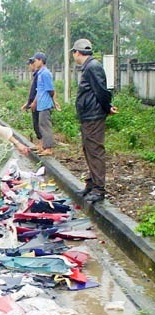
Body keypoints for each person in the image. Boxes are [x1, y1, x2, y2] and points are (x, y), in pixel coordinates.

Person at [72, 39, 118, 203]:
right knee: (88, 149)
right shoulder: (89, 67)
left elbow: (102, 91)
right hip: (88, 116)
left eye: (74, 53)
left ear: (77, 52)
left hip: (93, 116)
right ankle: (91, 184)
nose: (74, 56)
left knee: (95, 151)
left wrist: (107, 107)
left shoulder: (93, 67)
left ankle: (99, 189)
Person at [29, 52, 60, 156]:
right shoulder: (40, 73)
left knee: (46, 126)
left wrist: (53, 102)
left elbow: (51, 90)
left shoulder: (45, 73)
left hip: (45, 104)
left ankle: (48, 148)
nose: (35, 62)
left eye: (36, 60)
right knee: (41, 125)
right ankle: (43, 146)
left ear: (41, 61)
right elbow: (39, 90)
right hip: (41, 104)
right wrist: (34, 102)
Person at [21, 57, 42, 151]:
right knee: (36, 123)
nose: (29, 67)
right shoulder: (36, 75)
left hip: (38, 103)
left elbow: (39, 90)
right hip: (34, 103)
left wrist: (33, 102)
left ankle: (42, 145)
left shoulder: (40, 74)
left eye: (30, 65)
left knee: (39, 124)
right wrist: (28, 103)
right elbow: (33, 91)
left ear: (33, 64)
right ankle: (40, 144)